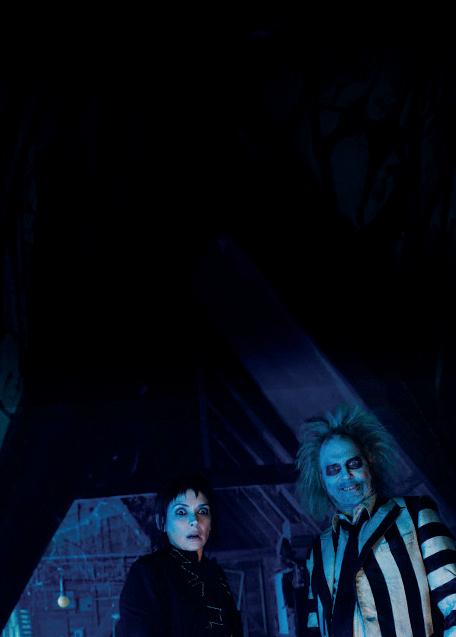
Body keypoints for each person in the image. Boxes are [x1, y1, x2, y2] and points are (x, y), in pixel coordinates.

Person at [296, 405, 456, 637]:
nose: (345, 475)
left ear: (369, 461)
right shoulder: (318, 551)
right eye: (333, 469)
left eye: (353, 464)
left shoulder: (415, 515)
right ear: (322, 479)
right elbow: (314, 628)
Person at [118, 473, 243, 636]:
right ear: (162, 522)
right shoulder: (147, 573)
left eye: (203, 511)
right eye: (181, 512)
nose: (195, 521)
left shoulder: (215, 574)